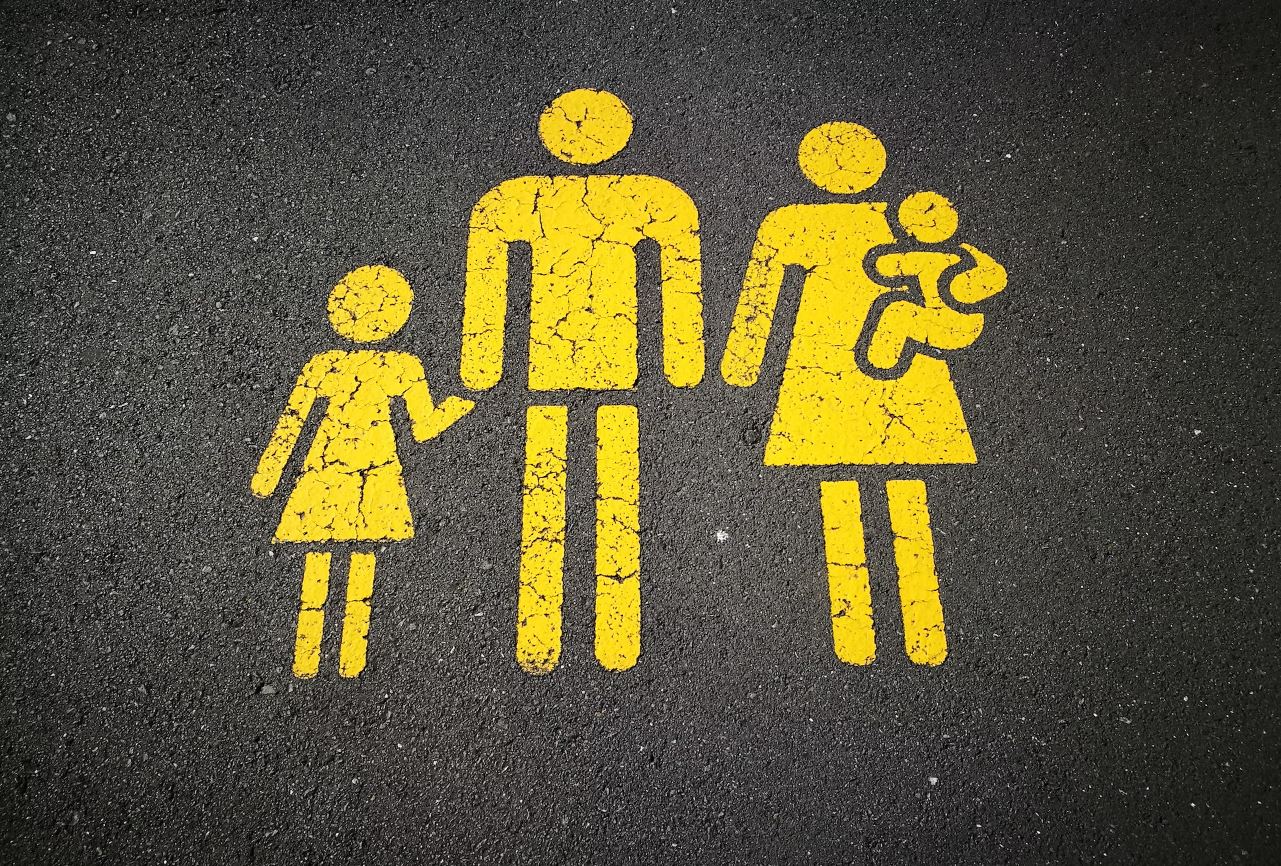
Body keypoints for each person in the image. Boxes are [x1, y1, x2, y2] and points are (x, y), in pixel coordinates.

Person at [721, 123, 1005, 667]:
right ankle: (923, 625)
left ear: (811, 168)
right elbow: (962, 269)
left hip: (822, 358)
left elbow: (761, 293)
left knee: (840, 489)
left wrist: (742, 362)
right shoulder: (899, 218)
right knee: (905, 485)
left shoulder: (791, 221)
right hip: (897, 368)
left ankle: (855, 629)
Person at [461, 88, 704, 674]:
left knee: (555, 487)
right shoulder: (650, 197)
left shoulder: (516, 198)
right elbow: (681, 272)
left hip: (560, 366)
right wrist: (683, 358)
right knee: (610, 482)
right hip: (605, 362)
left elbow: (487, 274)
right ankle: (607, 631)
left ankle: (548, 629)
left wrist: (482, 363)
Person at [251, 265, 473, 679]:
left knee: (320, 554)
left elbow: (292, 423)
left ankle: (309, 652)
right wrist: (456, 407)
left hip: (328, 463)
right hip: (376, 463)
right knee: (361, 557)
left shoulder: (324, 364)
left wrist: (268, 475)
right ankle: (350, 654)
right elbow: (423, 428)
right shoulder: (402, 366)